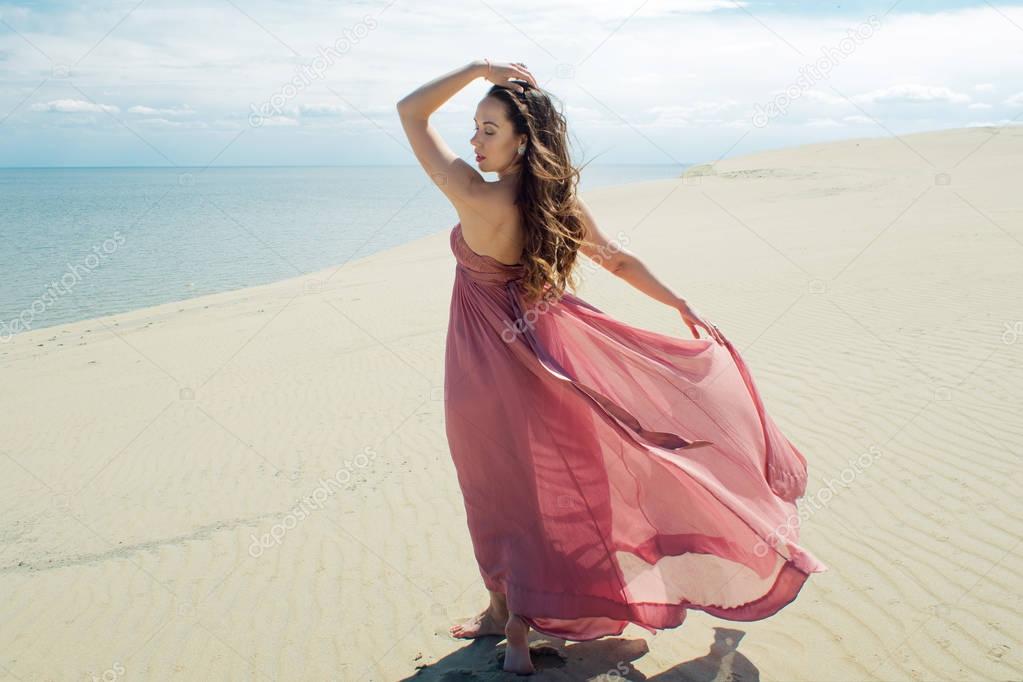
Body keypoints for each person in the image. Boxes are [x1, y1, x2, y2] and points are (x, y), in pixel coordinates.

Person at [396, 59, 826, 675]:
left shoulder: (472, 194)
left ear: (523, 139)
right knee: (565, 487)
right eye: (475, 127)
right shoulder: (556, 204)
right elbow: (617, 261)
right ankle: (521, 617)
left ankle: (509, 615)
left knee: (495, 489)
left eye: (488, 129)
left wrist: (475, 68)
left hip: (479, 371)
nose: (474, 140)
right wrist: (676, 300)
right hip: (549, 361)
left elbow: (410, 112)